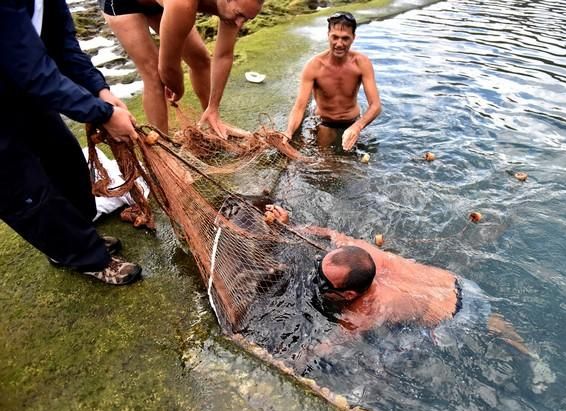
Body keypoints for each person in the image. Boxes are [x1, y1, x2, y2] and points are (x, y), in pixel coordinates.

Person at [0, 0, 142, 285]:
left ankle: (70, 238)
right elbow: (31, 69)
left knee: (64, 159)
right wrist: (101, 114)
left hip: (17, 88)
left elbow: (63, 47)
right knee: (24, 189)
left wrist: (100, 91)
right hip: (16, 81)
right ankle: (85, 256)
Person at [263, 205, 530, 354]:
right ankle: (521, 344)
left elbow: (329, 346)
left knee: (390, 351)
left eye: (324, 281)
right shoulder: (365, 254)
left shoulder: (366, 311)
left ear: (349, 295)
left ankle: (525, 352)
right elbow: (330, 233)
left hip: (454, 320)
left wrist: (287, 360)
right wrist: (289, 224)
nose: (317, 276)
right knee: (494, 323)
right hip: (461, 286)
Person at [101, 0, 263, 136]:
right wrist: (178, 87)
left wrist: (213, 106)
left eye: (247, 18)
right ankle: (163, 152)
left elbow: (224, 55)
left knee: (200, 59)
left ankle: (212, 121)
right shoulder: (183, 4)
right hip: (123, 3)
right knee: (154, 75)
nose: (240, 22)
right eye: (240, 15)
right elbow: (167, 66)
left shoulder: (235, 9)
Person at [283, 11, 382, 151]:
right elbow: (299, 107)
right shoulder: (314, 66)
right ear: (328, 35)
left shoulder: (362, 63)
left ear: (353, 38)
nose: (339, 44)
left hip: (353, 121)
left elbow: (376, 106)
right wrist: (289, 131)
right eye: (334, 37)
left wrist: (357, 126)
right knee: (326, 165)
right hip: (324, 122)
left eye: (345, 38)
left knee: (360, 163)